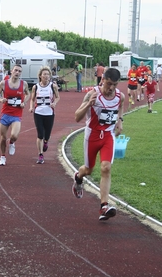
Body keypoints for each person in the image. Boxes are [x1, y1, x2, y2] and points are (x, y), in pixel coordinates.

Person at [72, 67, 125, 221]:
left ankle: (104, 206)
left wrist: (120, 121)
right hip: (92, 136)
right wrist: (89, 104)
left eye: (115, 85)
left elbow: (121, 106)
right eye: (109, 84)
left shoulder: (119, 96)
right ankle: (78, 177)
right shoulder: (92, 94)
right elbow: (76, 117)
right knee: (88, 170)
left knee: (106, 167)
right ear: (102, 80)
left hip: (108, 136)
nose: (111, 88)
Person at [0, 64, 30, 166]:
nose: (17, 73)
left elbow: (28, 94)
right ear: (11, 71)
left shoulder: (24, 84)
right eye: (16, 70)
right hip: (5, 113)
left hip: (16, 115)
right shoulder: (4, 83)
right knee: (3, 137)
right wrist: (1, 99)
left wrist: (24, 102)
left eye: (19, 71)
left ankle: (12, 143)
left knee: (14, 135)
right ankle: (2, 156)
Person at [29, 66, 60, 164]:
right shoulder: (36, 87)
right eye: (44, 74)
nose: (46, 76)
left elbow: (58, 97)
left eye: (48, 74)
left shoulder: (52, 86)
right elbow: (32, 99)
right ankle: (40, 155)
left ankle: (46, 142)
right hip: (38, 112)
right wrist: (31, 107)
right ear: (40, 76)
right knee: (40, 135)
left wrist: (54, 103)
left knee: (47, 135)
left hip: (49, 113)